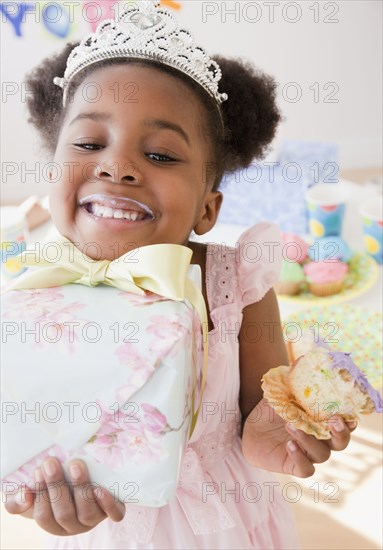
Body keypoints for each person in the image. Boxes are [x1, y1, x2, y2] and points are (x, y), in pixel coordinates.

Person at [4, 2, 355, 548]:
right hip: (109, 530)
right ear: (53, 175)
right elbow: (30, 435)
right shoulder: (33, 291)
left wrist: (273, 436)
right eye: (90, 143)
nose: (117, 165)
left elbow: (260, 412)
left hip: (226, 519)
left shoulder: (234, 281)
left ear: (207, 209)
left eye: (162, 154)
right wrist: (43, 499)